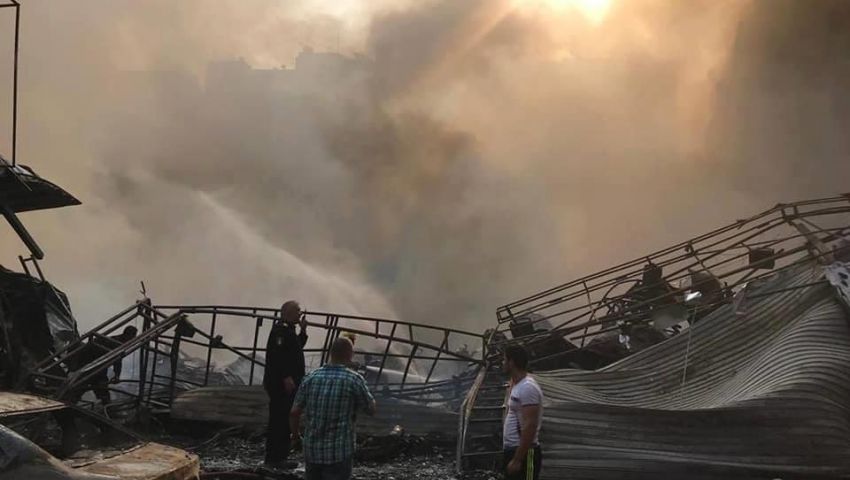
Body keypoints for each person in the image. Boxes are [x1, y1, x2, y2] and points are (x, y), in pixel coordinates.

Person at [290, 337, 376, 480]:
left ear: (331, 353)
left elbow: (294, 413)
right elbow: (371, 409)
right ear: (350, 354)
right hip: (339, 453)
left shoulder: (310, 377)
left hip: (312, 452)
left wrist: (295, 436)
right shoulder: (353, 379)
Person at [263, 300, 308, 468]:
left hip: (288, 383)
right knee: (280, 419)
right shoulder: (280, 331)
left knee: (285, 418)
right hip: (280, 384)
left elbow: (296, 348)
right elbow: (277, 355)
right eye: (298, 310)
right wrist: (286, 376)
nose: (300, 313)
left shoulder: (289, 330)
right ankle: (275, 458)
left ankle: (280, 455)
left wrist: (303, 330)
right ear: (288, 312)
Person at [67, 325, 138, 406]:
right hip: (93, 366)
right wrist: (117, 375)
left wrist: (117, 375)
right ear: (129, 335)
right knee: (96, 390)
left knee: (81, 389)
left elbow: (117, 360)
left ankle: (69, 404)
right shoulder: (117, 343)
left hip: (93, 366)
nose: (133, 339)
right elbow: (117, 360)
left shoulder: (115, 340)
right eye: (133, 337)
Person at [502, 344, 544, 480]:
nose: (502, 363)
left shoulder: (527, 388)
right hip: (514, 450)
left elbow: (530, 425)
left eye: (504, 360)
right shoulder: (518, 384)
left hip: (526, 453)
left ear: (511, 362)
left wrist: (517, 459)